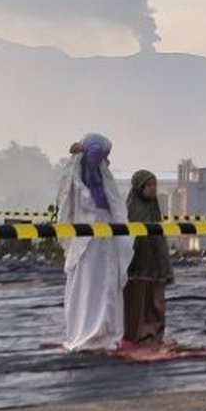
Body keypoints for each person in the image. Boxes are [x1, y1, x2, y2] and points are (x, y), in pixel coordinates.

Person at [56, 133, 134, 352]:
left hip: (102, 238)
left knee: (101, 282)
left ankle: (102, 330)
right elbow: (94, 152)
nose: (106, 161)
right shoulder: (84, 176)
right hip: (90, 241)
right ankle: (93, 331)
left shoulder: (96, 176)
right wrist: (86, 148)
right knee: (92, 283)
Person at [123, 170, 174, 346]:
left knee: (157, 303)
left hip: (156, 263)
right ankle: (135, 335)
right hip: (137, 264)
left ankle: (154, 335)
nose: (153, 189)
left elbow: (159, 234)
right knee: (137, 303)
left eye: (155, 185)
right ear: (140, 187)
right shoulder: (130, 209)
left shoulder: (154, 207)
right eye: (149, 185)